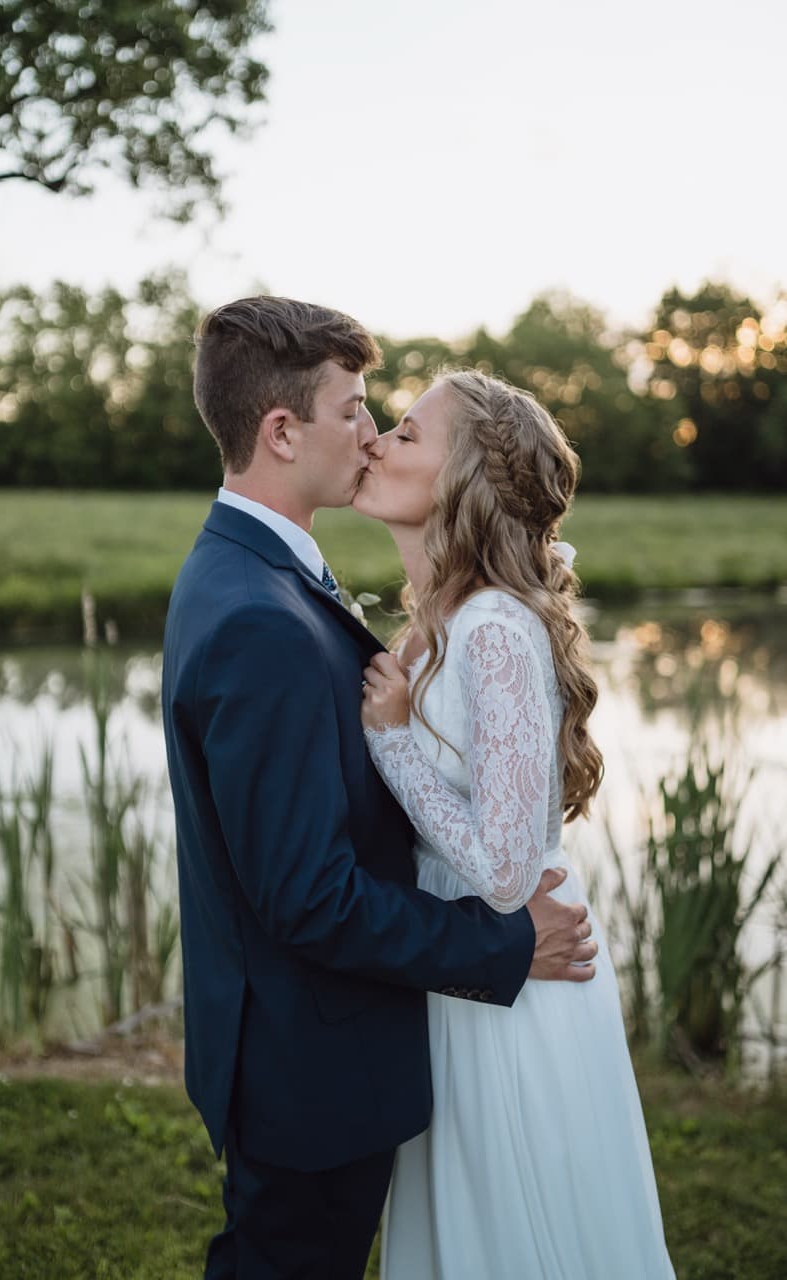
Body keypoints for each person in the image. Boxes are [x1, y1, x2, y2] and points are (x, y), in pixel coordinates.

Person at [161, 297, 598, 1280]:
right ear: (283, 430)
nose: (370, 431)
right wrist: (509, 941)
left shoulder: (260, 576)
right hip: (311, 1061)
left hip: (342, 1039)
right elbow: (307, 892)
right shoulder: (259, 615)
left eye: (393, 421)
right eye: (358, 409)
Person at [354, 368, 675, 1279]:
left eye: (408, 433)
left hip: (516, 965)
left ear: (465, 480)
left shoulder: (493, 628)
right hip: (472, 961)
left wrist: (390, 742)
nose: (378, 439)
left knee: (516, 1223)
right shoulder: (444, 622)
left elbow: (501, 870)